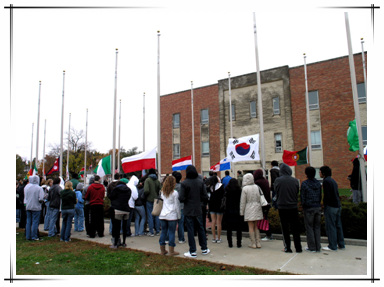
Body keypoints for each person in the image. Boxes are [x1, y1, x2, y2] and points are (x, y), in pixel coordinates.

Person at [179, 165, 210, 258]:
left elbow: (181, 198)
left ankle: (192, 251)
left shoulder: (184, 183)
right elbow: (205, 196)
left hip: (188, 209)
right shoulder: (200, 182)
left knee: (190, 230)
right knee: (201, 228)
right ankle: (204, 248)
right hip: (198, 208)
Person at [275, 163, 302, 253]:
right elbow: (297, 192)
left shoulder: (278, 181)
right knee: (295, 228)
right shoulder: (295, 181)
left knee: (285, 228)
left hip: (282, 207)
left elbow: (276, 192)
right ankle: (298, 247)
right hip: (293, 206)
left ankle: (288, 247)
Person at [320, 165, 345, 251]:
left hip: (331, 206)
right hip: (337, 205)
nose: (319, 173)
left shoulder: (326, 181)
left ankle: (332, 245)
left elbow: (327, 195)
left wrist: (324, 205)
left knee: (331, 226)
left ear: (323, 173)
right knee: (338, 226)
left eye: (320, 172)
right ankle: (341, 244)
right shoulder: (333, 181)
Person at [300, 166, 322, 252]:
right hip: (317, 206)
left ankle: (312, 247)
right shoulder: (318, 183)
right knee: (317, 227)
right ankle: (318, 246)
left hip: (308, 208)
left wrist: (303, 206)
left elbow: (302, 197)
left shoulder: (305, 184)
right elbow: (320, 195)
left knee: (309, 227)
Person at [240, 173, 264, 249]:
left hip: (249, 207)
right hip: (257, 207)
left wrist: (241, 211)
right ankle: (258, 242)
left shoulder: (245, 189)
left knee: (250, 226)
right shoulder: (257, 187)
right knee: (256, 226)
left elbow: (242, 202)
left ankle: (253, 243)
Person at [159, 176, 181, 256]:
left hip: (163, 214)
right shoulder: (174, 193)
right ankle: (171, 250)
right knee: (171, 232)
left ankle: (162, 250)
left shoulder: (162, 192)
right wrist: (179, 216)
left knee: (163, 232)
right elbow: (177, 205)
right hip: (172, 215)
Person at [109, 178, 132, 248]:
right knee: (124, 227)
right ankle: (124, 242)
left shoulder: (116, 189)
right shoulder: (128, 190)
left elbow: (111, 197)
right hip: (126, 209)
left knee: (117, 227)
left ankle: (116, 243)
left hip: (118, 209)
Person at [253, 169, 273, 241]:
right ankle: (268, 234)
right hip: (267, 202)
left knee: (263, 219)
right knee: (265, 218)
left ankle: (268, 234)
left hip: (261, 203)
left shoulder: (257, 182)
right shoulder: (265, 181)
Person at [24, 175, 45, 241]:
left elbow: (26, 197)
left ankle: (28, 236)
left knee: (28, 222)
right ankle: (34, 236)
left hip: (28, 206)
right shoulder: (39, 188)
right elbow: (41, 198)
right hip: (36, 206)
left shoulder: (28, 188)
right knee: (35, 222)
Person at [224, 178, 243, 248]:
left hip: (228, 211)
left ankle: (230, 243)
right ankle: (239, 243)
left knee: (229, 229)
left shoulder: (226, 190)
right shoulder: (239, 190)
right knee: (238, 228)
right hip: (237, 210)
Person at [144, 168, 161, 236]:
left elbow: (146, 190)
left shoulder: (147, 180)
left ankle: (151, 231)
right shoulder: (157, 180)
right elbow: (160, 190)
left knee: (150, 215)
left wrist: (146, 195)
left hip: (149, 199)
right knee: (156, 215)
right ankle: (157, 230)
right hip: (156, 200)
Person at [208, 175, 225, 243]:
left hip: (212, 205)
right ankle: (219, 237)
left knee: (213, 221)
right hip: (219, 206)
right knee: (219, 222)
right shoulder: (221, 186)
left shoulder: (211, 187)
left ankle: (214, 237)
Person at [172, 171, 185, 244]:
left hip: (172, 206)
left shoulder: (171, 186)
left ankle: (170, 238)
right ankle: (181, 238)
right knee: (180, 223)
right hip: (180, 206)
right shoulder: (181, 186)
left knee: (172, 223)